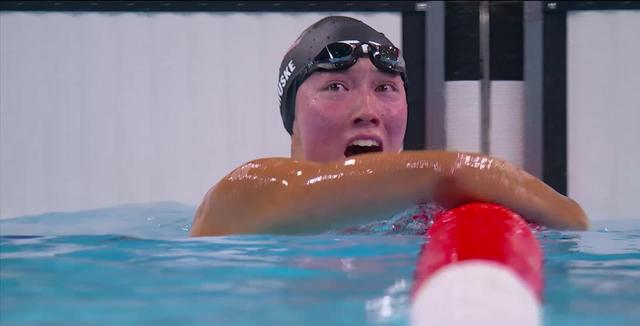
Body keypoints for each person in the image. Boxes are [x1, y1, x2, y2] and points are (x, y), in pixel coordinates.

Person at [190, 16, 588, 237]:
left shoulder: (415, 223)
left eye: (385, 88)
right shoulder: (242, 196)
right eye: (336, 86)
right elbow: (451, 172)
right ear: (291, 115)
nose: (368, 110)